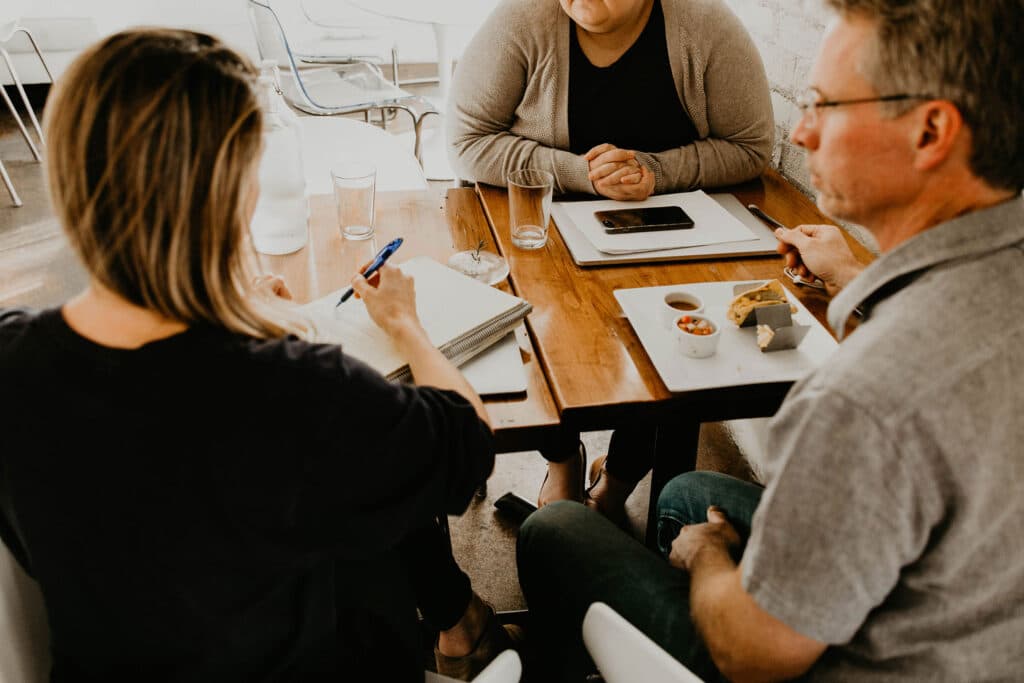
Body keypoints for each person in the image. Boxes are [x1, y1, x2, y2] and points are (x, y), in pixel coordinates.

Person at [517, 0, 1024, 680]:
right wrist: (854, 273)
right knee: (685, 495)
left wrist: (708, 557)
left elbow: (756, 653)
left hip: (833, 661)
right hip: (979, 619)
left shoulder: (860, 399)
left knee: (554, 530)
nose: (803, 132)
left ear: (930, 131)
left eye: (824, 105)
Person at [0, 29, 517, 681]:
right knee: (385, 494)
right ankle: (460, 624)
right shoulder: (300, 389)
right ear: (234, 193)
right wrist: (404, 323)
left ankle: (457, 617)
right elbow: (468, 443)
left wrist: (237, 319)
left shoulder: (13, 358)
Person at [448, 0, 775, 511]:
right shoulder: (522, 19)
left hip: (665, 232)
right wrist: (581, 173)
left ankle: (618, 479)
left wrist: (655, 171)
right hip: (542, 226)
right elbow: (468, 142)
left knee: (668, 346)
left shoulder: (707, 26)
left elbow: (750, 147)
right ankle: (563, 460)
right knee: (539, 340)